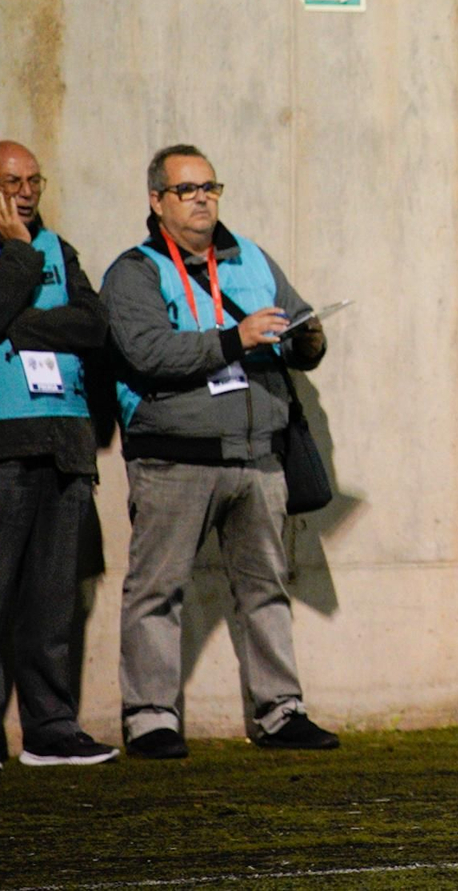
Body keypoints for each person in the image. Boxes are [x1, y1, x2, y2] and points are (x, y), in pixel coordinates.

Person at [99, 143, 338, 758]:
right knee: (157, 590)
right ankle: (151, 717)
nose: (202, 197)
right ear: (156, 201)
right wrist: (236, 338)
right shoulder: (134, 272)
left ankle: (280, 711)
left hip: (258, 456)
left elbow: (297, 321)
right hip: (174, 458)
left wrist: (307, 342)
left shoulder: (251, 258)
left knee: (266, 588)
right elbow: (147, 353)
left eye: (210, 186)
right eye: (186, 189)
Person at [0, 140, 119, 769]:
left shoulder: (59, 248)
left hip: (66, 437)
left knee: (53, 597)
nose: (27, 192)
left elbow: (94, 326)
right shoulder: (15, 251)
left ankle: (50, 728)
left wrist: (23, 325)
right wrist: (17, 256)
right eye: (11, 182)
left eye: (35, 179)